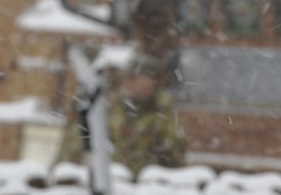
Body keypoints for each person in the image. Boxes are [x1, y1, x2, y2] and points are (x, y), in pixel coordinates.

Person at [58, 46, 187, 175]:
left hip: (145, 187)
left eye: (135, 78)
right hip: (109, 183)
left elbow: (175, 157)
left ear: (152, 81)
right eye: (126, 77)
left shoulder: (164, 113)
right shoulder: (107, 107)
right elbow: (77, 146)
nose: (128, 82)